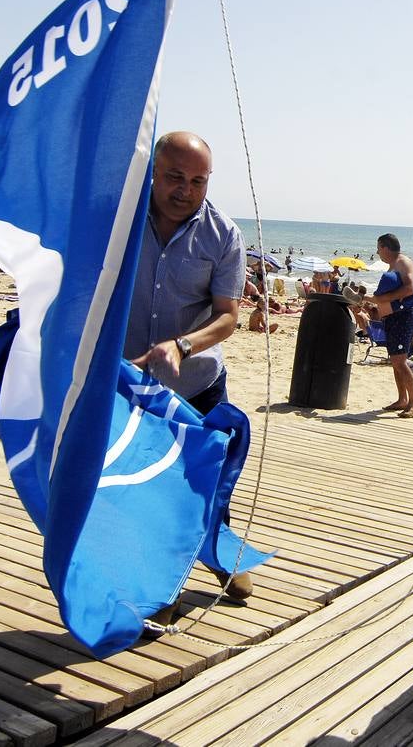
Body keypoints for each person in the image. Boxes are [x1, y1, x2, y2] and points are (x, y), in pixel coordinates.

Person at [123, 130, 254, 609]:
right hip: (128, 384)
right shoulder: (120, 221)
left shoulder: (224, 235)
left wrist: (181, 345)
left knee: (204, 485)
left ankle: (219, 557)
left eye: (199, 181)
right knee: (138, 488)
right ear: (153, 173)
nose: (186, 190)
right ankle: (156, 587)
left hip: (196, 385)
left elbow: (228, 316)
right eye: (175, 177)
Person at [364, 233, 413, 417]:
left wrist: (379, 299)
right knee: (395, 361)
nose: (377, 252)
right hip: (393, 317)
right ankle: (402, 399)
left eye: (378, 248)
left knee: (399, 361)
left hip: (403, 317)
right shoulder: (393, 266)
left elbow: (409, 289)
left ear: (385, 248)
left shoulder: (403, 262)